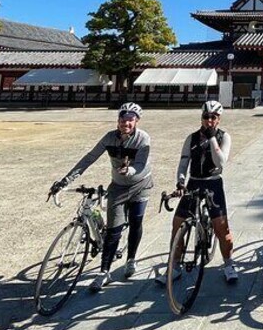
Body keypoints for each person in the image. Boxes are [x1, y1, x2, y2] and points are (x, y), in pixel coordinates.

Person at [49, 102, 153, 292]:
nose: (126, 123)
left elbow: (140, 164)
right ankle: (104, 272)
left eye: (130, 119)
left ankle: (131, 259)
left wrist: (128, 170)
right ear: (118, 120)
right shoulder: (109, 138)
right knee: (114, 229)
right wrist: (65, 180)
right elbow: (89, 158)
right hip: (118, 187)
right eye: (123, 118)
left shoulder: (143, 138)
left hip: (140, 185)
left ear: (137, 121)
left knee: (136, 222)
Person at [157, 100, 238, 284]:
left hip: (213, 183)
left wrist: (211, 139)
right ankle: (175, 266)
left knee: (221, 228)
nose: (209, 121)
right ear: (201, 117)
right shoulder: (191, 138)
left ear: (219, 119)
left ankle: (228, 263)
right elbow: (184, 162)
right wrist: (180, 181)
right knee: (177, 225)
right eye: (206, 117)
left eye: (214, 117)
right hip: (194, 182)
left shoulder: (224, 137)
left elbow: (221, 162)